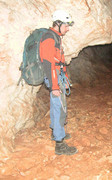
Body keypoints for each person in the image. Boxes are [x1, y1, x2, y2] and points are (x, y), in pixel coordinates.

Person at [39, 10, 78, 155]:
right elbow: (49, 64)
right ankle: (60, 144)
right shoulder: (49, 38)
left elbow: (59, 62)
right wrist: (54, 86)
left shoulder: (56, 37)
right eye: (66, 25)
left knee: (58, 106)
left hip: (58, 77)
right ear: (58, 23)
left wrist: (65, 79)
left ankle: (56, 132)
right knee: (59, 107)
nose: (68, 28)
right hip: (54, 78)